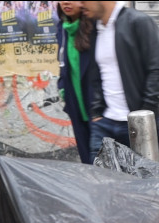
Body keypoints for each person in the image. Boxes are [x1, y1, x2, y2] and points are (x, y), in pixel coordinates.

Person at [82, 1, 159, 163]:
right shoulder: (96, 29)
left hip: (137, 124)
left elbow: (157, 69)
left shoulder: (138, 22)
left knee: (149, 184)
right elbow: (97, 75)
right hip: (104, 124)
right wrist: (96, 113)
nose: (81, 5)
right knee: (102, 182)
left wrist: (143, 115)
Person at [56, 1, 94, 164]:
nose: (66, 2)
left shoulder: (95, 26)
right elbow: (63, 63)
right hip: (75, 104)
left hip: (97, 105)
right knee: (87, 159)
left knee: (107, 159)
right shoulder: (62, 28)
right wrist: (62, 89)